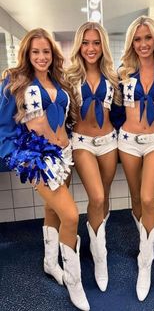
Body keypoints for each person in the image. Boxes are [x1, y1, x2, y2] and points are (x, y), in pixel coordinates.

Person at [0, 28, 90, 311]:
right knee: (71, 215)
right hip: (39, 159)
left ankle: (50, 263)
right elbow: (4, 128)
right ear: (27, 53)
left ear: (53, 55)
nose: (41, 57)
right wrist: (17, 157)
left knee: (53, 211)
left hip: (65, 153)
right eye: (35, 52)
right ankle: (75, 282)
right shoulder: (13, 83)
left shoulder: (58, 81)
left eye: (46, 52)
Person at [118, 15, 154, 301]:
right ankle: (144, 241)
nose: (143, 44)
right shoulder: (123, 72)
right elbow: (114, 112)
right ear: (132, 43)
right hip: (127, 142)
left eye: (147, 38)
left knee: (149, 198)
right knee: (137, 199)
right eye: (137, 39)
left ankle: (145, 261)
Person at [67, 21, 121, 292]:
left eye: (96, 43)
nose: (91, 48)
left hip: (109, 141)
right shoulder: (68, 77)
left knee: (106, 196)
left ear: (103, 46)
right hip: (83, 142)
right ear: (79, 45)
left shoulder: (113, 75)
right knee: (96, 196)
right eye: (86, 43)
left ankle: (98, 238)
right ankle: (101, 259)